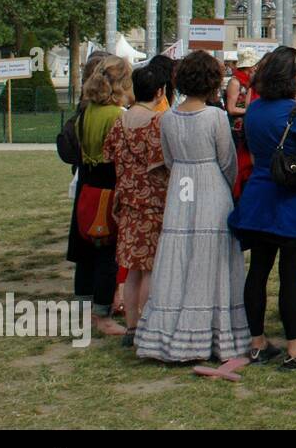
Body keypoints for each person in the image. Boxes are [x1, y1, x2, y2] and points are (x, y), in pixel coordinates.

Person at [136, 51, 250, 363]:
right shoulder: (214, 117)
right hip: (210, 185)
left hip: (181, 187)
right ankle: (211, 330)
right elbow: (227, 161)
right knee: (210, 256)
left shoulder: (169, 117)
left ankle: (171, 327)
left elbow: (170, 160)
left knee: (179, 254)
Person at [229, 46, 296, 369]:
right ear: (291, 76)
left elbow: (256, 157)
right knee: (290, 276)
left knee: (257, 271)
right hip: (291, 201)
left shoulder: (254, 110)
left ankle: (257, 342)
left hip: (258, 197)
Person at [103, 64, 170, 347]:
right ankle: (146, 324)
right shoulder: (156, 123)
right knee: (151, 268)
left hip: (127, 200)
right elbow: (164, 162)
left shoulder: (120, 122)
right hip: (154, 201)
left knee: (131, 269)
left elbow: (108, 156)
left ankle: (131, 326)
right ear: (159, 92)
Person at [67, 55, 131, 337]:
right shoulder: (117, 115)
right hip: (109, 184)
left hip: (88, 184)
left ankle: (82, 306)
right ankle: (102, 314)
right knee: (108, 253)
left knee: (85, 250)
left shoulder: (87, 111)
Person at [225, 48, 259, 201]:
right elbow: (231, 108)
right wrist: (250, 110)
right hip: (237, 127)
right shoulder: (235, 81)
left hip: (246, 124)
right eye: (254, 65)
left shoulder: (249, 81)